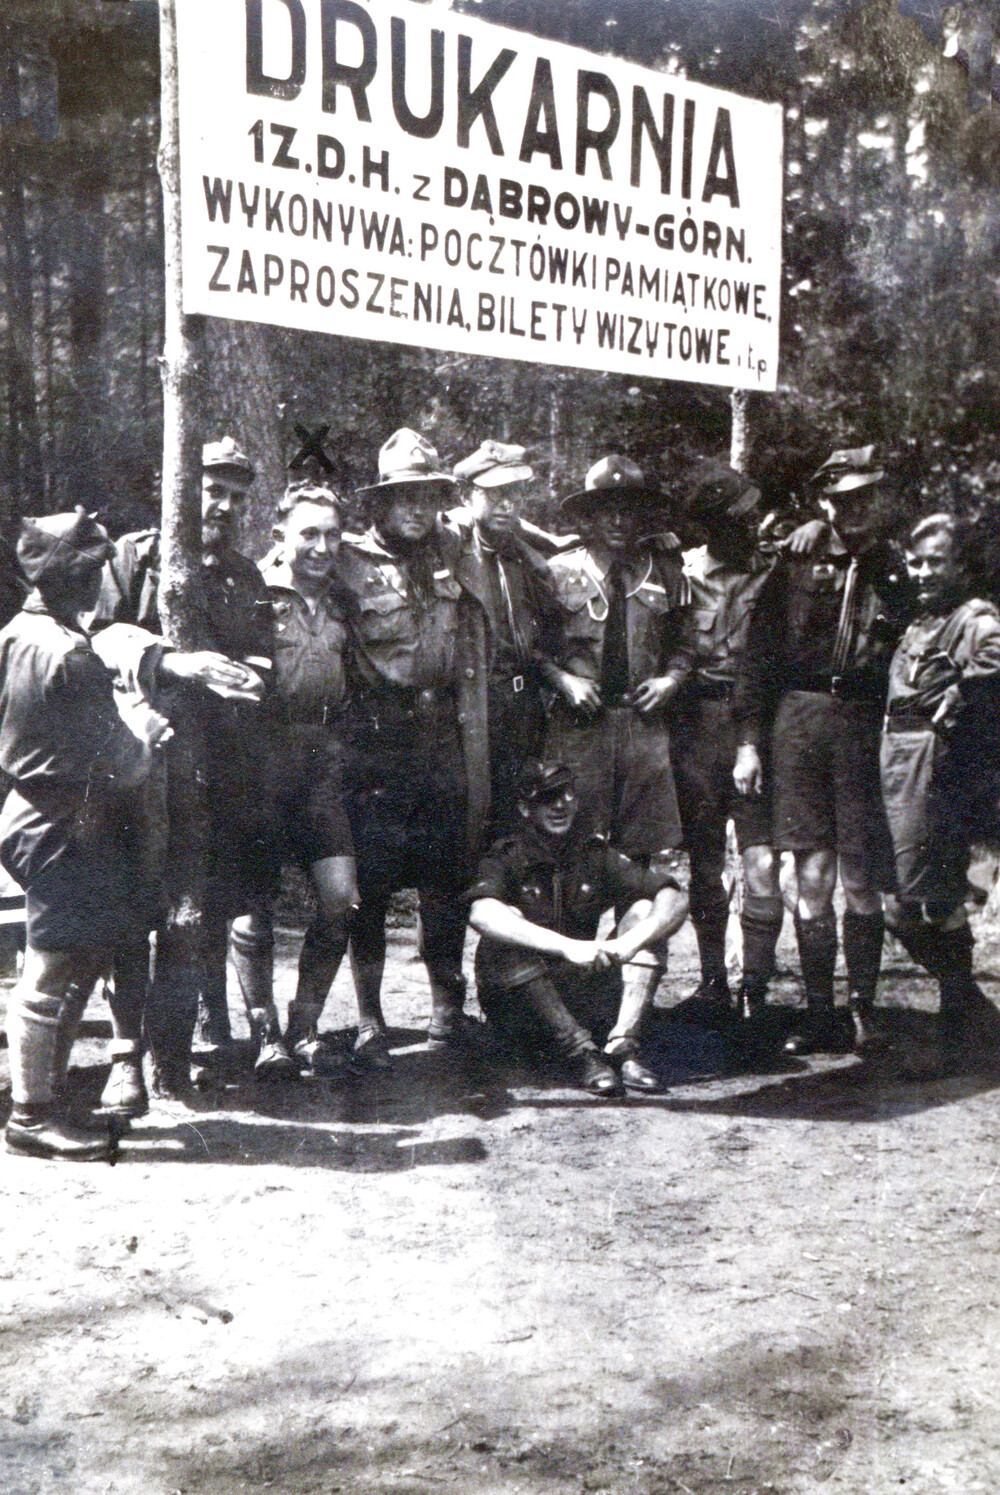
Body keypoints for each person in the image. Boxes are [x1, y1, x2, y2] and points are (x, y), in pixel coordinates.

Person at [91, 436, 282, 1101]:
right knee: (130, 912)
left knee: (195, 911)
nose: (223, 506)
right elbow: (97, 639)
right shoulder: (132, 557)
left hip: (215, 770)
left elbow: (262, 655)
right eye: (211, 489)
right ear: (176, 486)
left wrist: (243, 677)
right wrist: (172, 662)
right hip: (138, 765)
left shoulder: (243, 575)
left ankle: (175, 1055)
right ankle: (124, 1057)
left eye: (235, 495)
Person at [0, 510, 171, 1159]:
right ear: (77, 578)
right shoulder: (72, 655)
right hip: (64, 820)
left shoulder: (15, 633)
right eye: (96, 569)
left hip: (25, 808)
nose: (104, 579)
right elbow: (125, 762)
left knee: (74, 957)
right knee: (48, 972)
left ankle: (43, 1097)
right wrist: (146, 726)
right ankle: (32, 1114)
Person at [733, 445, 904, 1055]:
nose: (853, 510)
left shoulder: (898, 569)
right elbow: (756, 658)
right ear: (823, 502)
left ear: (878, 502)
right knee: (810, 871)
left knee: (859, 874)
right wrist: (750, 743)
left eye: (865, 498)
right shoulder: (797, 560)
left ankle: (863, 1009)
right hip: (798, 722)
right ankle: (818, 1011)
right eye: (841, 499)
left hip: (863, 723)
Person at [336, 429, 489, 1068]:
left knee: (445, 878)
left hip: (442, 734)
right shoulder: (345, 560)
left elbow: (522, 536)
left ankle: (445, 1009)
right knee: (370, 885)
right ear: (378, 504)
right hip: (377, 737)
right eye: (403, 498)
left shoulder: (452, 548)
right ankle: (370, 1016)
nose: (417, 510)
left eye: (427, 497)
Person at [539, 455, 693, 1042]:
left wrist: (672, 680)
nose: (620, 523)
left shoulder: (667, 574)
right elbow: (532, 649)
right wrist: (564, 680)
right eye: (607, 510)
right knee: (571, 861)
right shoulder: (556, 574)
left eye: (631, 510)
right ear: (589, 516)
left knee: (642, 868)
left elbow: (685, 648)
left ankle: (631, 1023)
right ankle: (572, 1008)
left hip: (642, 732)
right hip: (577, 734)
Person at [235, 478, 359, 1077]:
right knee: (253, 906)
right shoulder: (253, 593)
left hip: (323, 764)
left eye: (332, 534)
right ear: (279, 535)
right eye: (308, 533)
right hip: (261, 760)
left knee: (340, 900)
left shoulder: (343, 600)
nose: (321, 545)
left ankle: (305, 1023)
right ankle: (266, 1035)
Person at [468, 761, 688, 1096]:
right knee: (505, 933)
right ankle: (581, 1055)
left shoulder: (592, 853)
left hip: (578, 991)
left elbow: (674, 896)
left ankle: (623, 1046)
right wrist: (565, 946)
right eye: (547, 798)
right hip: (521, 1010)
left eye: (567, 794)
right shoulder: (506, 856)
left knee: (645, 912)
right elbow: (481, 912)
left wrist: (629, 943)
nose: (560, 805)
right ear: (525, 808)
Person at [880, 512, 1000, 1072]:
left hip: (935, 764)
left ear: (961, 566)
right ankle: (967, 1007)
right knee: (896, 894)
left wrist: (962, 694)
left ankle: (962, 1009)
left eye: (937, 562)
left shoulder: (975, 619)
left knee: (922, 898)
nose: (924, 571)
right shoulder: (920, 619)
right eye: (917, 561)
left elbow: (990, 677)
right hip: (894, 757)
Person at [673, 462, 784, 1027]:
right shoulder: (681, 572)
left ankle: (756, 991)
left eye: (749, 516)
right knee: (705, 863)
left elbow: (769, 667)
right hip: (694, 728)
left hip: (757, 728)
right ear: (712, 526)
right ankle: (714, 983)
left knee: (761, 861)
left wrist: (752, 743)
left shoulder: (775, 574)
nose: (749, 527)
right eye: (735, 520)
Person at [447, 440, 560, 834]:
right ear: (467, 495)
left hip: (523, 704)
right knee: (472, 816)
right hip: (474, 704)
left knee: (523, 814)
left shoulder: (524, 556)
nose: (506, 505)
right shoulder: (452, 549)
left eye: (513, 494)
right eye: (494, 495)